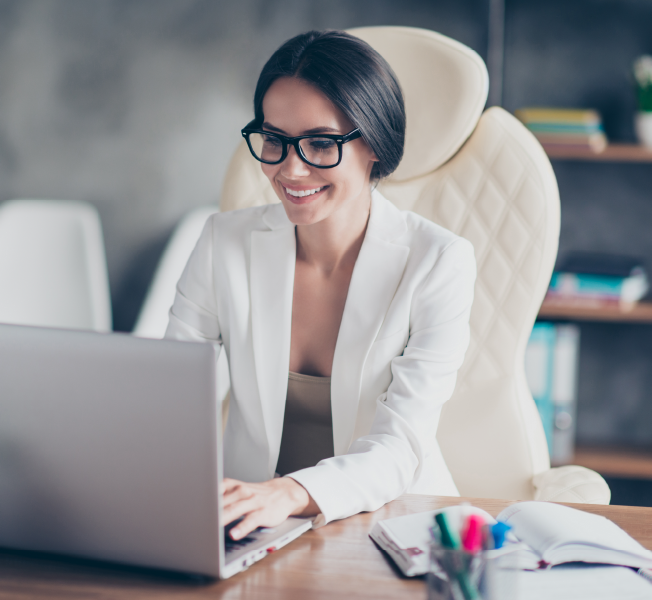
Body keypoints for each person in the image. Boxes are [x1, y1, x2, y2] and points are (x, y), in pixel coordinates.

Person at [165, 30, 476, 541]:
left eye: (320, 143)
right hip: (251, 527)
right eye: (274, 139)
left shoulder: (438, 262)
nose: (290, 167)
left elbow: (399, 446)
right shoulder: (223, 241)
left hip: (388, 526)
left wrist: (287, 492)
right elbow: (167, 394)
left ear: (374, 144)